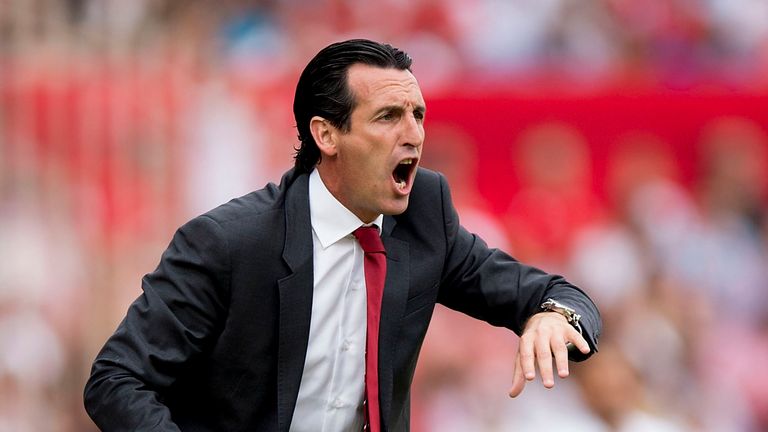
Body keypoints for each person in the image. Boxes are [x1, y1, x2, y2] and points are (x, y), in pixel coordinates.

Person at [84, 39, 601, 432]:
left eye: (417, 114)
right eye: (388, 117)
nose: (415, 133)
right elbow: (115, 380)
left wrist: (553, 316)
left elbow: (558, 294)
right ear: (326, 134)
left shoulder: (424, 218)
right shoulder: (227, 242)